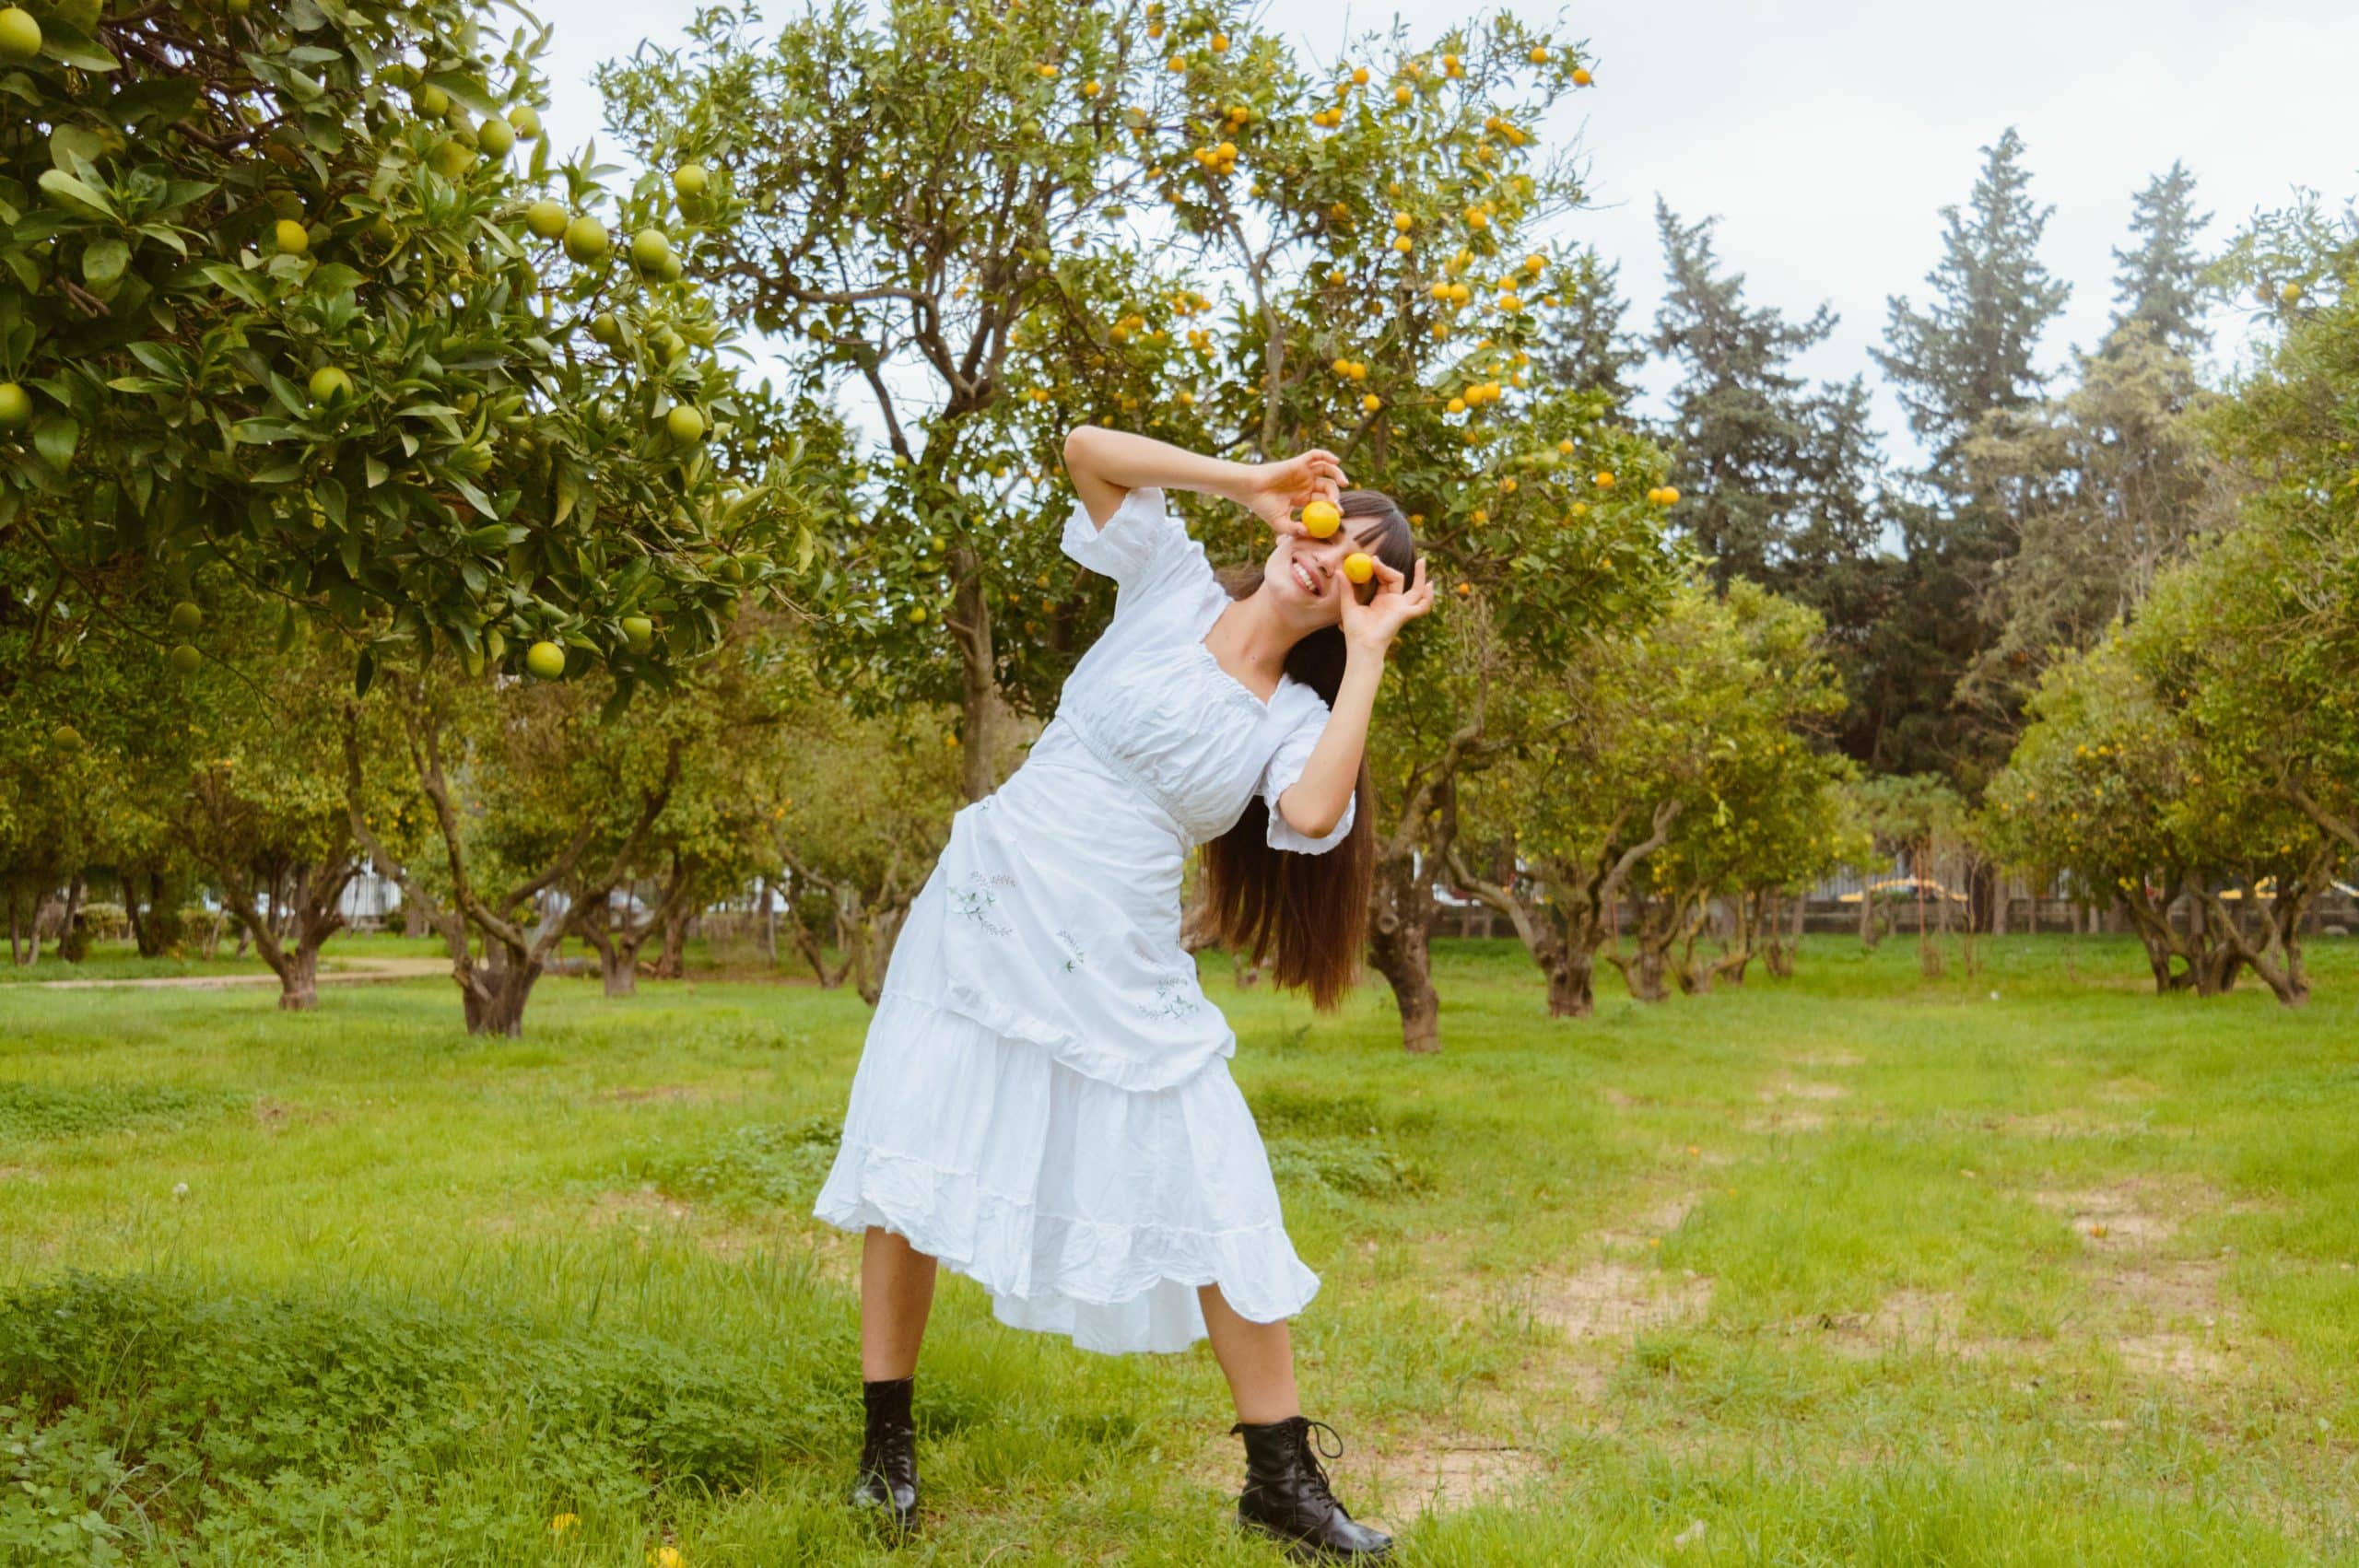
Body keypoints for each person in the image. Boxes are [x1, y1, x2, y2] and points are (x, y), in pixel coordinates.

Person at [812, 425, 1433, 1559]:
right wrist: (1250, 481)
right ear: (1302, 519)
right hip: (992, 904)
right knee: (916, 1162)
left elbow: (1306, 816)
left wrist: (1372, 651)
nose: (1336, 555)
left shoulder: (1296, 715)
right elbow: (1084, 447)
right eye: (1337, 526)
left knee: (1216, 1177)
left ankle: (1280, 1482)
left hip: (1121, 953)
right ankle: (883, 1458)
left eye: (1367, 564)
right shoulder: (1168, 581)